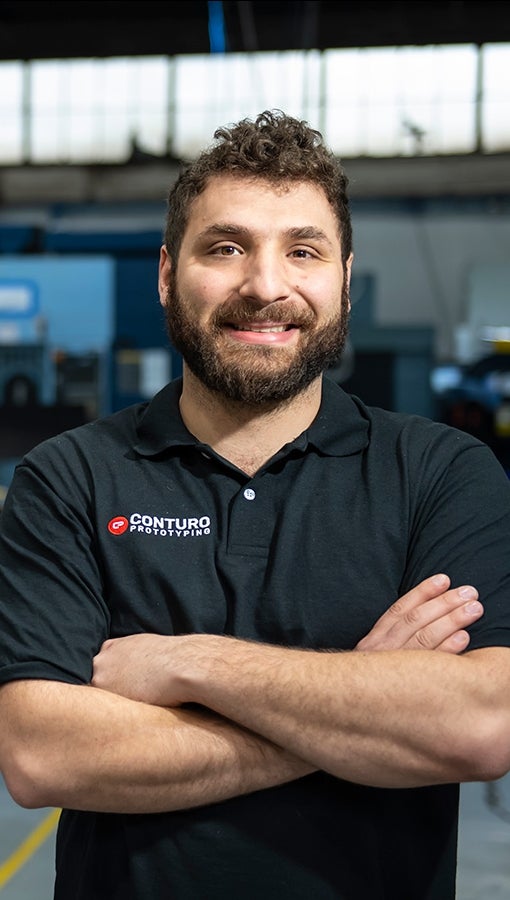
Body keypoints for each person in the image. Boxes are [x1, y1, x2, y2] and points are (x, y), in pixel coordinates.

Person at [0, 109, 509, 900]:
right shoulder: (68, 478)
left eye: (302, 250)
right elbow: (43, 754)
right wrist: (364, 696)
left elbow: (481, 725)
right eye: (226, 247)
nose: (266, 286)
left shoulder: (440, 474)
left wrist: (186, 663)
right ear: (168, 274)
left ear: (342, 277)